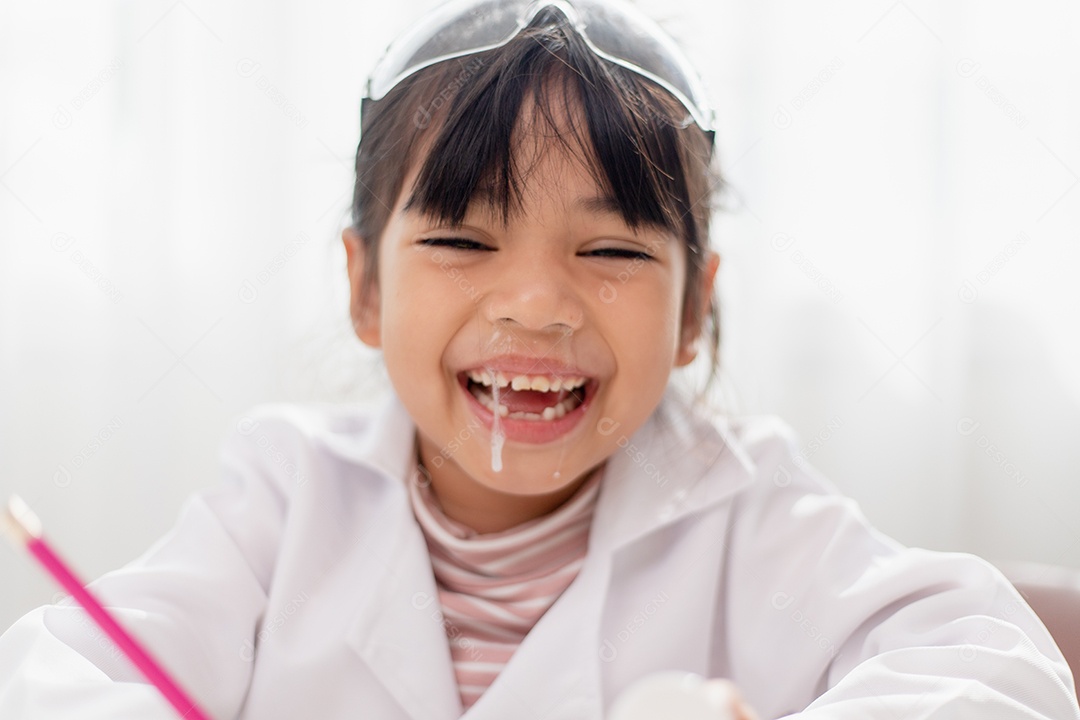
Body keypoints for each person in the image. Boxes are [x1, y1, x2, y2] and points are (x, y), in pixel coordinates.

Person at [1, 0, 1078, 717]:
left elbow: (1001, 676)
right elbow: (63, 677)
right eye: (464, 241)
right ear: (365, 288)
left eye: (611, 250)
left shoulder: (751, 513)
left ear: (694, 309)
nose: (536, 305)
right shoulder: (282, 495)